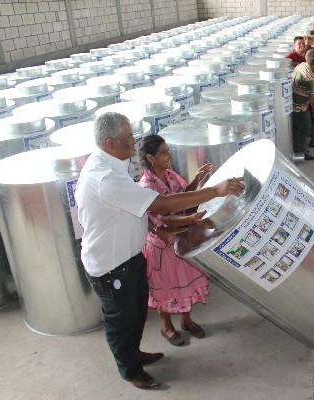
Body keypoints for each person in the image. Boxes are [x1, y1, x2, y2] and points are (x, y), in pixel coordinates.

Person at [76, 112, 244, 389]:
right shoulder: (104, 177)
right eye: (128, 137)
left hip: (130, 258)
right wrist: (215, 191)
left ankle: (134, 354)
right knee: (121, 322)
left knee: (136, 315)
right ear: (110, 143)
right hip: (111, 266)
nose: (134, 141)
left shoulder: (113, 164)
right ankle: (131, 370)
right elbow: (161, 205)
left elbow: (149, 207)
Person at [138, 136, 213, 346]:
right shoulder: (145, 187)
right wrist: (191, 220)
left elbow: (183, 197)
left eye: (168, 150)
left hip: (181, 239)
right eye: (164, 152)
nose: (168, 155)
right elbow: (162, 221)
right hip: (162, 246)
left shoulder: (170, 175)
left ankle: (186, 320)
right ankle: (166, 326)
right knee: (165, 287)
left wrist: (196, 180)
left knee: (185, 283)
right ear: (151, 158)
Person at [292, 49, 314, 161]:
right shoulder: (310, 77)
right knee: (305, 129)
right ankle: (301, 152)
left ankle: (297, 149)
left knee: (296, 130)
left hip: (292, 104)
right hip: (300, 107)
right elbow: (311, 97)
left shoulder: (300, 66)